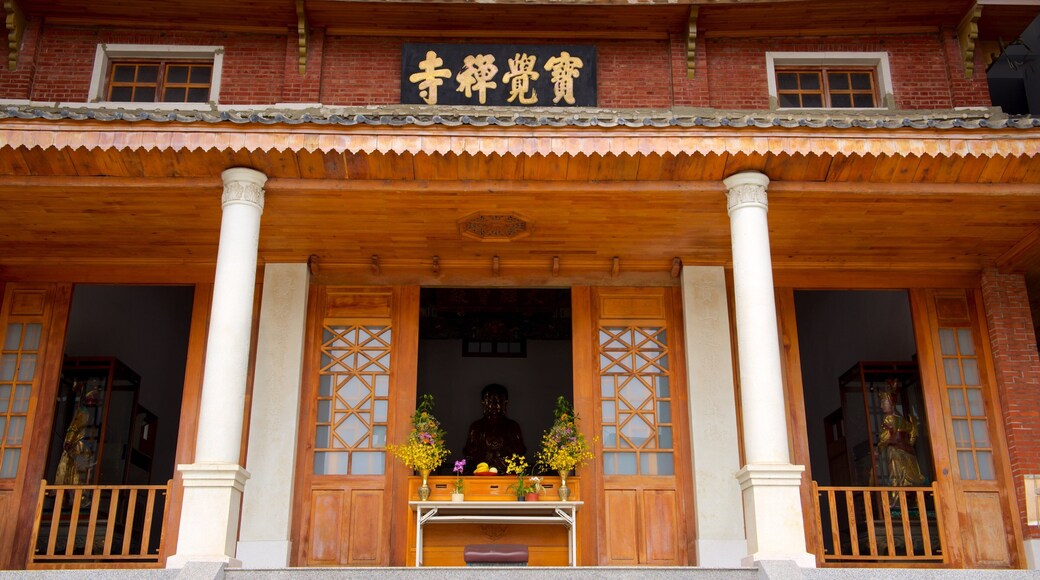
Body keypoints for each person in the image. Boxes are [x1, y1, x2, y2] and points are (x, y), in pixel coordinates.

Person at [463, 383, 526, 473]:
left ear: (505, 403)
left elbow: (520, 451)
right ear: (483, 403)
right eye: (490, 401)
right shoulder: (476, 427)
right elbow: (469, 452)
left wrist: (503, 457)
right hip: (482, 474)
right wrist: (486, 457)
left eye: (498, 401)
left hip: (506, 474)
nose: (494, 406)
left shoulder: (512, 426)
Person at [877, 382, 926, 488]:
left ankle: (896, 495)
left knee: (896, 476)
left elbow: (884, 437)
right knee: (910, 474)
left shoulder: (888, 418)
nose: (881, 406)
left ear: (891, 403)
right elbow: (912, 433)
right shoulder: (904, 420)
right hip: (909, 451)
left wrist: (878, 448)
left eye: (884, 402)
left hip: (895, 450)